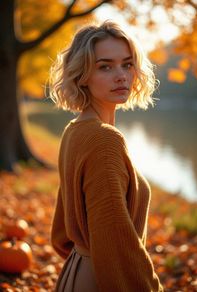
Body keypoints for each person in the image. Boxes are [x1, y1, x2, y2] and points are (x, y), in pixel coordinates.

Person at [49, 20, 163, 292]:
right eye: (105, 66)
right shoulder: (103, 139)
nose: (121, 75)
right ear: (82, 75)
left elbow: (61, 234)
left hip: (78, 273)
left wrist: (85, 258)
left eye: (127, 64)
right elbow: (114, 242)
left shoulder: (75, 129)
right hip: (106, 280)